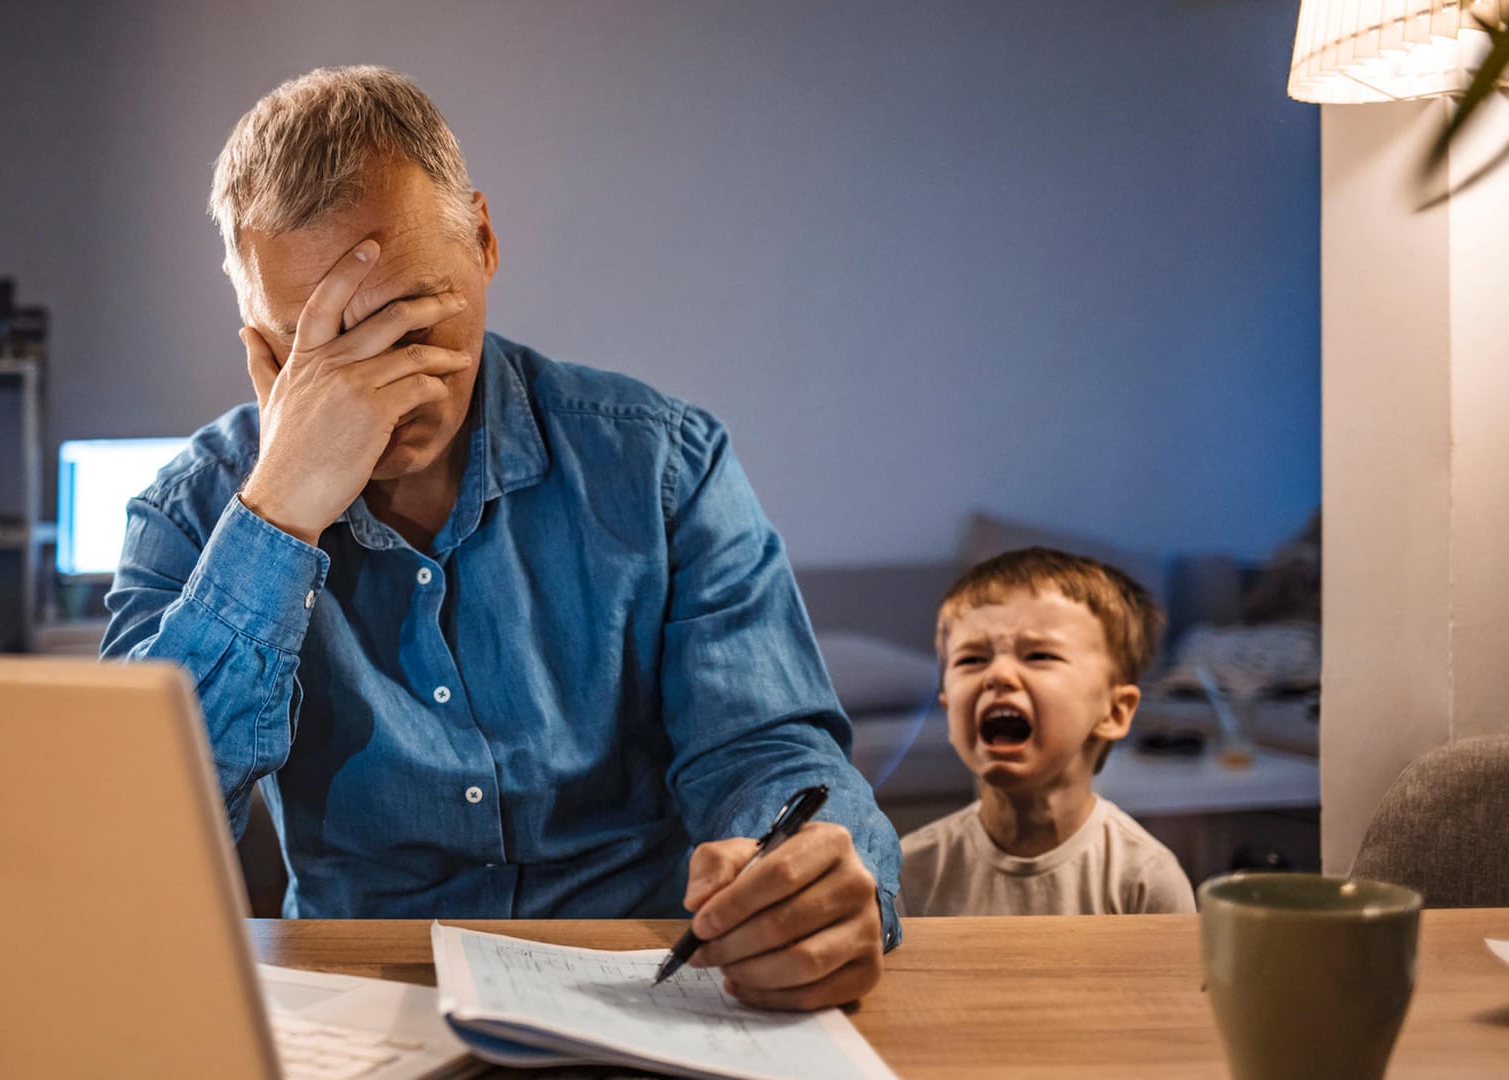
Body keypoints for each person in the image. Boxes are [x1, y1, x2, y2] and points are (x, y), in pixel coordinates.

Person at [100, 66, 899, 1009]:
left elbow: (766, 752)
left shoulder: (662, 466)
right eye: (327, 350)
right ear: (261, 342)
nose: (387, 385)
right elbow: (127, 835)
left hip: (646, 989)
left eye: (411, 319)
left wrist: (801, 871)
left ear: (482, 240)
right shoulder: (193, 511)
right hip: (358, 1003)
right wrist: (277, 514)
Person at [896, 548, 1194, 916]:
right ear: (950, 712)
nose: (998, 675)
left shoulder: (1145, 878)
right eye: (971, 659)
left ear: (1114, 712)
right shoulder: (911, 871)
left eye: (1039, 655)